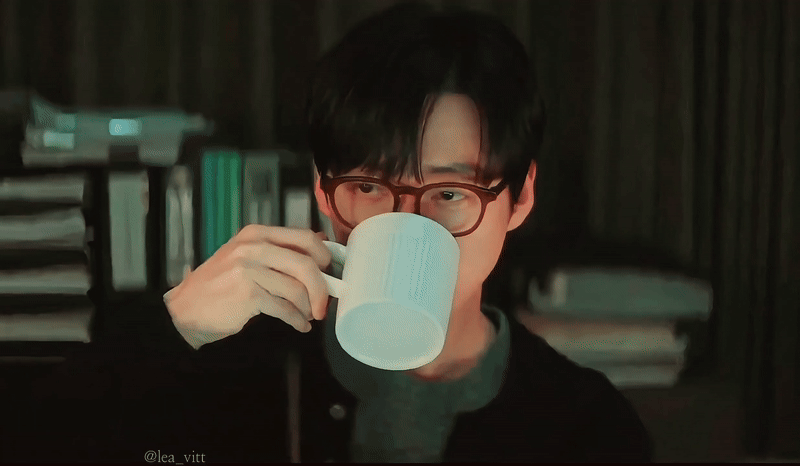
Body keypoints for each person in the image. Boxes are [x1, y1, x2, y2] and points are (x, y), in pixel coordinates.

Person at [7, 1, 653, 463]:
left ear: (521, 197)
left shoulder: (584, 426)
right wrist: (176, 325)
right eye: (369, 187)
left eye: (450, 193)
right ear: (323, 191)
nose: (407, 223)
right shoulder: (236, 368)